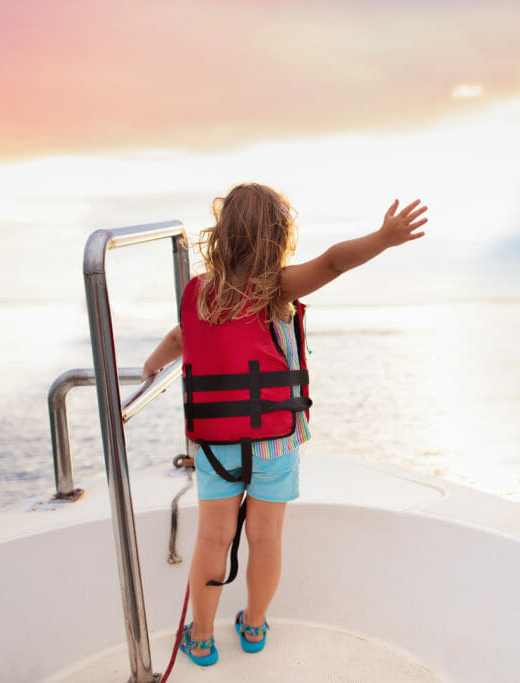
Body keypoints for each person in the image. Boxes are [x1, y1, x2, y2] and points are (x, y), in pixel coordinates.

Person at [141, 183, 427, 667]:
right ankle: (253, 626)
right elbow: (334, 262)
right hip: (275, 443)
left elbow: (177, 337)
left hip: (216, 448)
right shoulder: (275, 288)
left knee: (213, 539)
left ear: (222, 236)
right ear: (277, 237)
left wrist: (151, 366)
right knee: (266, 539)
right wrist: (384, 238)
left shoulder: (198, 291)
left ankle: (204, 638)